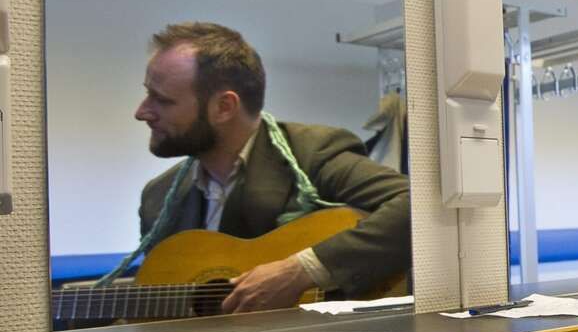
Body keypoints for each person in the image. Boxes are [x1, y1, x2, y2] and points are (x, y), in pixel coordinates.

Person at [121, 22, 410, 313]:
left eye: (161, 100)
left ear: (224, 107)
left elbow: (414, 204)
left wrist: (302, 271)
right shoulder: (158, 199)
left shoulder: (312, 153)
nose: (142, 112)